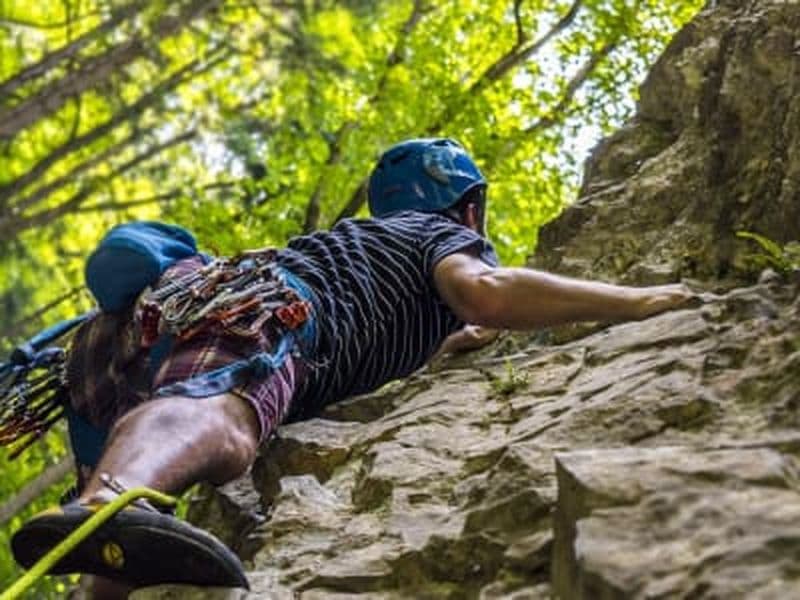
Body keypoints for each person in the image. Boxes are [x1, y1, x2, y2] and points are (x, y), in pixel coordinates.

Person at [11, 138, 693, 597]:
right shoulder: (440, 236)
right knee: (227, 414)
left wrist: (450, 347)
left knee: (116, 546)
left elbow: (415, 335)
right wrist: (638, 301)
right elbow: (486, 291)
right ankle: (107, 501)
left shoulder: (367, 251)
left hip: (113, 349)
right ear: (469, 208)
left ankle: (100, 541)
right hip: (259, 307)